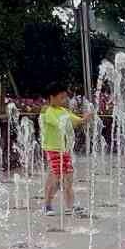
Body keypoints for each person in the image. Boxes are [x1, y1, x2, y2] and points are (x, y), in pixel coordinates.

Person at [39, 84, 92, 216]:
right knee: (56, 178)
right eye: (61, 97)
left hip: (64, 149)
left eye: (65, 97)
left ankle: (70, 206)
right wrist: (73, 120)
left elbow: (76, 121)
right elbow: (58, 123)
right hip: (53, 150)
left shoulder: (63, 110)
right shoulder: (47, 111)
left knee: (68, 177)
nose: (64, 100)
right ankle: (47, 205)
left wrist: (85, 118)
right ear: (52, 97)